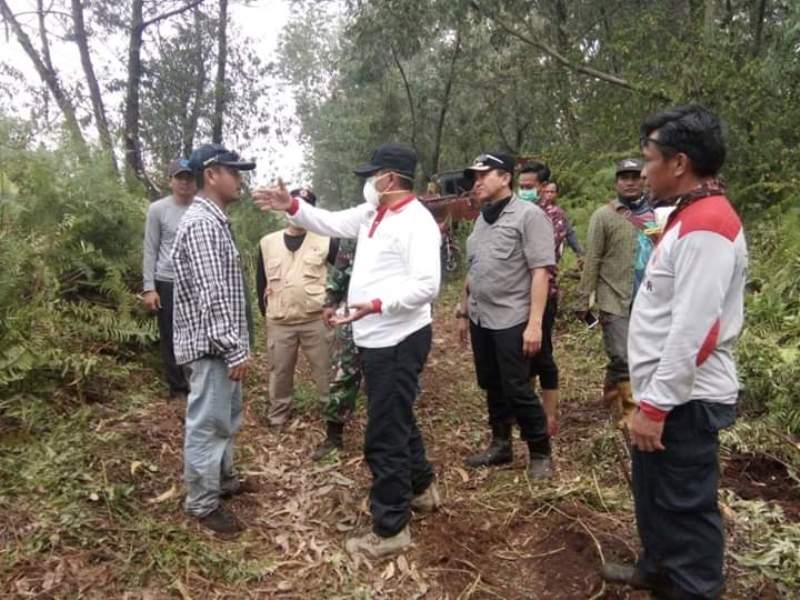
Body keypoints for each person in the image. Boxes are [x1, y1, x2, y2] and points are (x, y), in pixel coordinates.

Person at [253, 143, 442, 559]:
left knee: (384, 435)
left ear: (389, 179)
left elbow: (427, 285)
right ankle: (423, 488)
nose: (367, 183)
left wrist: (376, 304)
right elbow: (330, 220)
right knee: (397, 416)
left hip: (397, 338)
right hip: (374, 338)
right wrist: (292, 205)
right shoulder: (374, 214)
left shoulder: (417, 222)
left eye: (372, 176)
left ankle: (391, 530)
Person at [601, 105, 747, 600]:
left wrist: (657, 406)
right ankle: (656, 567)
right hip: (664, 392)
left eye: (648, 159)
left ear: (678, 163)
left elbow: (695, 331)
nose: (642, 171)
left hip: (684, 399)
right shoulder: (687, 217)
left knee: (685, 505)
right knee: (653, 493)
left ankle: (693, 586)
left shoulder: (707, 226)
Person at [171, 143, 256, 536]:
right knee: (208, 423)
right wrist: (234, 345)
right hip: (211, 348)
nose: (240, 179)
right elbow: (213, 293)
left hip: (218, 345)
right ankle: (202, 503)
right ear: (211, 174)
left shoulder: (213, 219)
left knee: (225, 418)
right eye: (233, 171)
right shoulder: (203, 224)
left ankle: (223, 481)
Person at [456, 152, 555, 479]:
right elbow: (475, 268)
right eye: (475, 177)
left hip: (513, 317)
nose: (477, 182)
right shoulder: (482, 218)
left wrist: (535, 324)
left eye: (484, 175)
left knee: (517, 387)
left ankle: (540, 451)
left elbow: (540, 271)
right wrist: (462, 309)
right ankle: (501, 444)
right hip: (481, 317)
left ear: (505, 178)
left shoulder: (529, 216)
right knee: (492, 383)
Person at [577, 158, 656, 430]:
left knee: (641, 352)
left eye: (635, 176)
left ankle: (612, 394)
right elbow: (593, 258)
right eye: (624, 177)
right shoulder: (603, 216)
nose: (630, 182)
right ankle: (630, 410)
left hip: (649, 295)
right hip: (614, 294)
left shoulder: (656, 214)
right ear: (616, 183)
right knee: (622, 353)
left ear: (644, 180)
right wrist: (583, 297)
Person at [255, 188, 338, 428]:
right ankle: (278, 416)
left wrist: (334, 302)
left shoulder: (326, 238)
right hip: (280, 321)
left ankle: (331, 416)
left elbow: (343, 272)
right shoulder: (267, 242)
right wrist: (266, 313)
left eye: (304, 205)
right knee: (279, 372)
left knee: (325, 369)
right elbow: (261, 281)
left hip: (316, 319)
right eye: (293, 203)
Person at [142, 158, 196, 401]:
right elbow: (150, 248)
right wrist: (149, 288)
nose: (184, 182)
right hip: (167, 280)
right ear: (171, 181)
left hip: (197, 281)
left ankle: (197, 383)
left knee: (197, 332)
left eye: (188, 178)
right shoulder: (158, 209)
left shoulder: (202, 207)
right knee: (171, 334)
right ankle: (177, 388)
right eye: (180, 178)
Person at [313, 238, 362, 460]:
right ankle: (334, 437)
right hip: (352, 314)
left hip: (389, 317)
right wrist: (330, 300)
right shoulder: (359, 227)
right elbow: (342, 265)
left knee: (388, 379)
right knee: (343, 373)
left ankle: (389, 438)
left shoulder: (406, 222)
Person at [518, 162, 583, 259]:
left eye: (528, 187)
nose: (523, 191)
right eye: (521, 187)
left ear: (543, 186)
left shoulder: (553, 214)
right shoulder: (513, 209)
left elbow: (549, 250)